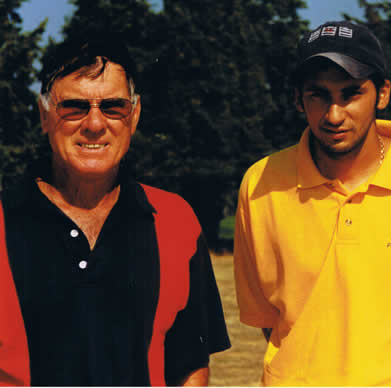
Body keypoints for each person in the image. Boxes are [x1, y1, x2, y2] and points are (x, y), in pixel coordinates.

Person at [234, 20, 391, 385]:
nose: (334, 115)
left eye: (350, 93)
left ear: (382, 94)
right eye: (318, 95)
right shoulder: (260, 183)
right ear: (298, 99)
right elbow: (269, 321)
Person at [0, 37, 230, 386]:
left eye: (113, 107)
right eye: (74, 107)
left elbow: (189, 366)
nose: (94, 124)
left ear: (134, 115)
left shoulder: (175, 221)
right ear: (44, 115)